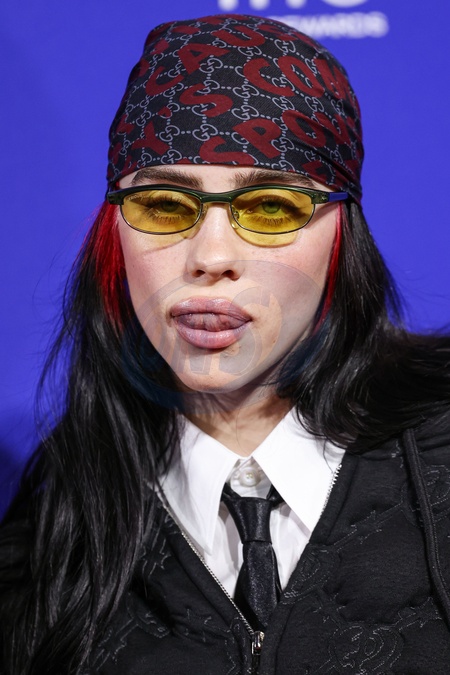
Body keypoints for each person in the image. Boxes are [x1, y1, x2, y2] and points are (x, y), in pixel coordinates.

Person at [1, 13, 450, 675]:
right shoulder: (54, 525)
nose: (211, 257)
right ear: (114, 231)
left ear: (343, 234)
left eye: (270, 207)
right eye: (164, 204)